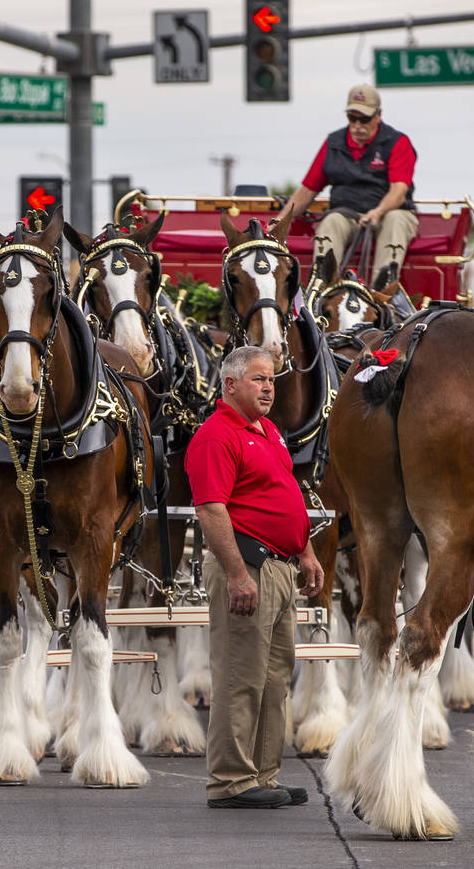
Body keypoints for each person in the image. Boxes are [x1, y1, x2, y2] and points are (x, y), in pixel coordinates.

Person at [184, 345, 325, 809]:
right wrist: (238, 574)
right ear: (230, 384)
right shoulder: (215, 435)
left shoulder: (267, 430)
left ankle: (262, 775)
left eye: (271, 380)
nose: (269, 387)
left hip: (281, 567)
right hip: (247, 568)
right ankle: (230, 780)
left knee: (275, 677)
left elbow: (285, 495)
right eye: (259, 379)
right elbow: (211, 508)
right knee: (240, 676)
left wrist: (306, 552)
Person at [277, 83, 418, 289]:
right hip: (347, 214)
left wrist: (377, 212)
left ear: (378, 115)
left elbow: (398, 192)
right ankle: (321, 289)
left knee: (395, 221)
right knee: (331, 221)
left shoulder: (397, 142)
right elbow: (308, 190)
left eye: (364, 119)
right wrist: (280, 222)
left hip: (390, 212)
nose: (357, 125)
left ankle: (384, 293)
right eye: (352, 118)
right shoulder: (334, 142)